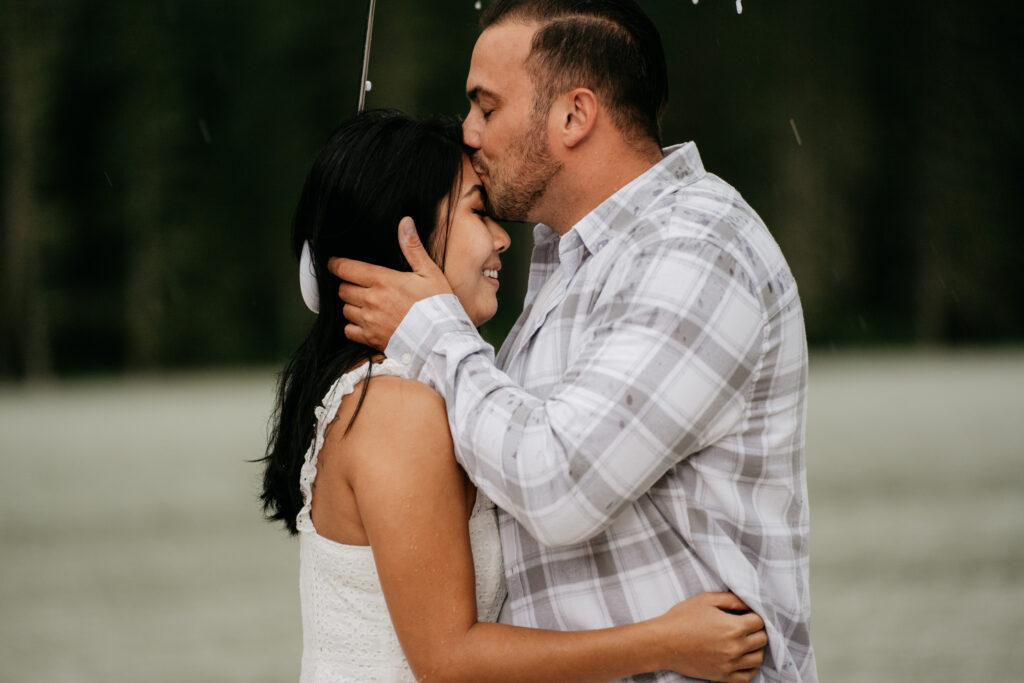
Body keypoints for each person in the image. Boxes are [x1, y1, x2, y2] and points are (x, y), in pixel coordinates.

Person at [328, 2, 817, 682]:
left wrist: (432, 328)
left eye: (487, 106)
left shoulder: (696, 250)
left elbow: (557, 487)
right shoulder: (577, 260)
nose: (468, 131)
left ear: (573, 115)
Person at [260, 109, 767, 682]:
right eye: (478, 212)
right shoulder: (396, 408)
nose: (502, 238)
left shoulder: (411, 391)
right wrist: (666, 643)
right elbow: (448, 661)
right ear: (407, 236)